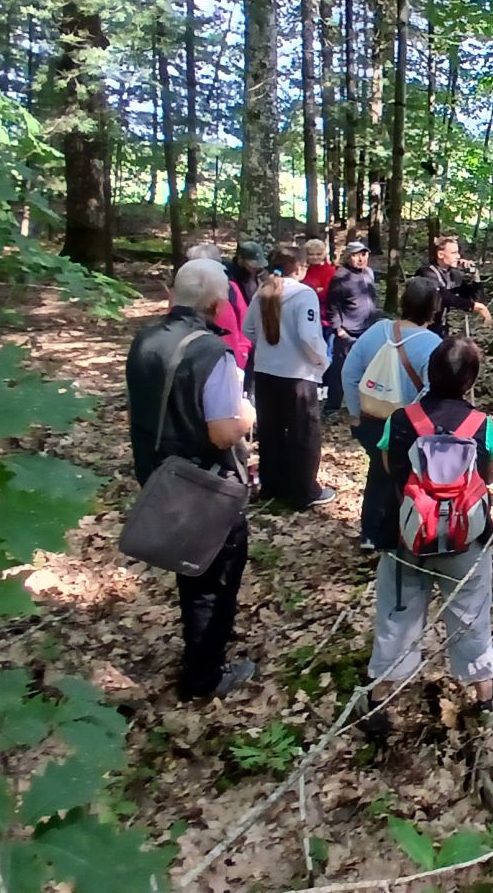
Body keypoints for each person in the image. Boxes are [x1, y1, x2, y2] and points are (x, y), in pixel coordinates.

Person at [363, 338, 493, 740]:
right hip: (466, 539)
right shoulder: (482, 425)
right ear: (471, 380)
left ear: (429, 372)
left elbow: (388, 466)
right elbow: (490, 473)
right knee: (470, 615)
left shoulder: (400, 419)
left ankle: (378, 700)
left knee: (398, 616)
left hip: (406, 534)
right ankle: (486, 697)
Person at [126, 258, 257, 700]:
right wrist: (248, 417)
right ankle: (205, 676)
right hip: (204, 484)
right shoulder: (211, 353)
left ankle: (203, 650)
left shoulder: (145, 340)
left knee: (192, 572)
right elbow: (222, 430)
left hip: (159, 473)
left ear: (173, 293)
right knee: (214, 576)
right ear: (218, 304)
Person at [343, 277, 444, 550]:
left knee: (378, 472)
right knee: (403, 479)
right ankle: (397, 533)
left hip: (371, 419)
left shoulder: (378, 330)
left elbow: (350, 372)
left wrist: (356, 412)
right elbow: (433, 390)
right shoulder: (432, 343)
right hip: (406, 427)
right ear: (433, 309)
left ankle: (370, 533)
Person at [244, 244, 333, 509]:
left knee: (271, 431)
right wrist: (322, 360)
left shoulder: (263, 290)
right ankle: (305, 491)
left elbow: (248, 329)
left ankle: (273, 485)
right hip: (298, 375)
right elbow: (309, 336)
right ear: (300, 267)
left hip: (266, 372)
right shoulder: (304, 293)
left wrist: (269, 348)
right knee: (304, 433)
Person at [326, 241, 379, 414]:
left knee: (369, 369)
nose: (361, 259)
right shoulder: (340, 277)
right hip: (347, 332)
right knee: (340, 370)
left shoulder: (369, 273)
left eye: (364, 254)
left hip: (368, 330)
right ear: (349, 257)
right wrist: (339, 329)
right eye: (356, 255)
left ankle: (364, 405)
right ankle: (332, 407)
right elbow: (332, 306)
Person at [187, 243, 251, 370]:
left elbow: (245, 322)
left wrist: (243, 352)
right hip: (194, 365)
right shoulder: (184, 291)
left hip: (231, 364)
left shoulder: (231, 289)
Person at [418, 235, 492, 337]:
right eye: (453, 253)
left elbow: (476, 299)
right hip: (420, 329)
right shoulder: (426, 273)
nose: (458, 256)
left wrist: (475, 275)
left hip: (441, 330)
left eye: (458, 252)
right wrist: (473, 306)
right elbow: (443, 295)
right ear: (440, 254)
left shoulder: (454, 275)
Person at [301, 237, 338, 328]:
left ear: (324, 254)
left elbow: (326, 295)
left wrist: (309, 291)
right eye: (311, 254)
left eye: (318, 254)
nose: (315, 257)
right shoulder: (301, 269)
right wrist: (316, 290)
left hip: (323, 317)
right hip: (302, 313)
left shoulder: (330, 271)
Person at [226, 240, 267, 309]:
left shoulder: (260, 274)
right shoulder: (230, 277)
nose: (256, 268)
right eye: (252, 265)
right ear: (240, 260)